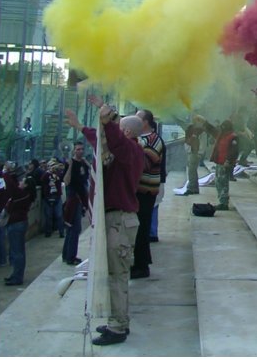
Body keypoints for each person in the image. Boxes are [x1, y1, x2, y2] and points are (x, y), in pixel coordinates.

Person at [79, 103, 144, 346]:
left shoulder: (131, 151)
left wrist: (110, 121)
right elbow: (103, 141)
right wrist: (81, 127)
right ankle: (116, 319)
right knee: (113, 274)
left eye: (117, 128)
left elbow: (114, 141)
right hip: (116, 220)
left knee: (118, 275)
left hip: (120, 221)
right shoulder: (126, 151)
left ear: (126, 132)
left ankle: (118, 326)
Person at [131, 109, 163, 279]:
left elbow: (145, 164)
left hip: (146, 192)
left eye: (137, 119)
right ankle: (141, 262)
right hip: (139, 191)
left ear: (145, 122)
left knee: (141, 229)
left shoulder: (154, 140)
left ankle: (141, 266)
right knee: (138, 228)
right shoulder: (142, 139)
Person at [193, 116, 239, 209]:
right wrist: (204, 121)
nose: (222, 129)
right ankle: (222, 200)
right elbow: (212, 130)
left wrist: (228, 161)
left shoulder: (233, 137)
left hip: (226, 163)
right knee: (218, 182)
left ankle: (224, 203)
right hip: (219, 162)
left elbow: (234, 151)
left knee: (223, 182)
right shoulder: (221, 135)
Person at [3, 165, 36, 286]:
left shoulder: (22, 194)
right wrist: (12, 173)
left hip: (16, 225)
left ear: (26, 185)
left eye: (23, 181)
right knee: (18, 251)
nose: (21, 182)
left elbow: (11, 187)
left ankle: (17, 277)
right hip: (19, 224)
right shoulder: (26, 194)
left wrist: (6, 172)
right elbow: (14, 185)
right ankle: (15, 275)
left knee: (17, 252)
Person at [62, 140, 90, 265]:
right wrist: (71, 166)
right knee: (74, 228)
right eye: (78, 149)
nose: (80, 151)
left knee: (73, 228)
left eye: (82, 149)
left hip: (81, 198)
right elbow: (66, 181)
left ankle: (67, 255)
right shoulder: (70, 164)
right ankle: (70, 256)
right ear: (73, 150)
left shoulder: (83, 163)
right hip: (73, 199)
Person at [40, 160, 65, 238]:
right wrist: (48, 172)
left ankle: (61, 232)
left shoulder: (58, 174)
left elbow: (62, 177)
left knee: (59, 215)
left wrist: (57, 170)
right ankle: (48, 232)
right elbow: (42, 180)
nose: (53, 167)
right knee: (48, 215)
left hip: (57, 197)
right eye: (52, 166)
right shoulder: (46, 175)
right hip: (48, 197)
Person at [182, 122, 203, 195]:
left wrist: (191, 137)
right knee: (193, 172)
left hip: (193, 154)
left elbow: (190, 143)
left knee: (191, 172)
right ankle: (195, 188)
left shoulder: (194, 137)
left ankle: (192, 188)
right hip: (192, 154)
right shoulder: (195, 136)